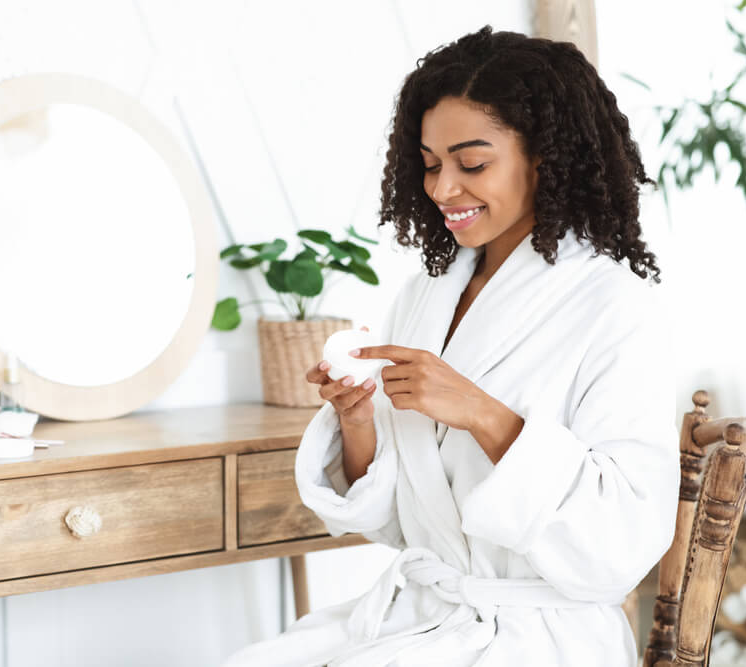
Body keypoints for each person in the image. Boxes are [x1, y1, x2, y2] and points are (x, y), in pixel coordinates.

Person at [222, 24, 679, 667]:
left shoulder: (613, 306)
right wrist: (359, 423)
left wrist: (481, 412)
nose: (441, 190)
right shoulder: (427, 296)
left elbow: (621, 544)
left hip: (539, 639)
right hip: (424, 615)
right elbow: (397, 522)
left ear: (546, 157)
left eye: (473, 164)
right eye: (431, 165)